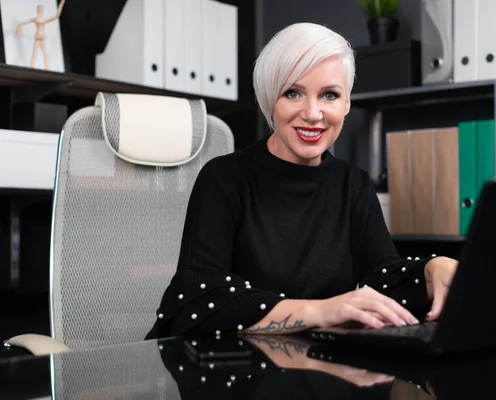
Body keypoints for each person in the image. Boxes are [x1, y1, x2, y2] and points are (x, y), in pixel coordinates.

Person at [146, 22, 458, 338]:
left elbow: (383, 279)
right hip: (240, 374)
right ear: (270, 101)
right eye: (293, 93)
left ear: (346, 103)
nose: (312, 113)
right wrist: (319, 311)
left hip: (324, 370)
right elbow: (200, 299)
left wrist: (432, 270)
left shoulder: (354, 184)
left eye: (329, 95)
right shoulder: (224, 179)